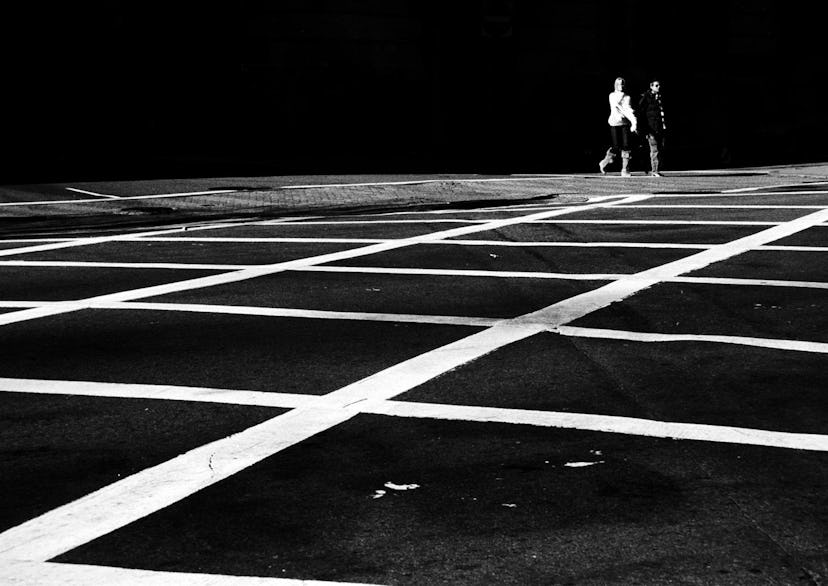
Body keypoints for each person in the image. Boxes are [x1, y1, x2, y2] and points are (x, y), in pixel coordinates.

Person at [599, 77, 637, 177]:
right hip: (614, 122)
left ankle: (625, 169)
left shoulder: (627, 97)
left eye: (623, 84)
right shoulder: (612, 95)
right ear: (616, 85)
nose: (621, 86)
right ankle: (604, 162)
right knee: (616, 147)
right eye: (619, 84)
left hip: (624, 123)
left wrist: (634, 122)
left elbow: (628, 110)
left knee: (626, 146)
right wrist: (622, 96)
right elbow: (615, 105)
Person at [637, 79, 667, 176]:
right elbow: (641, 112)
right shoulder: (646, 97)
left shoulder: (660, 98)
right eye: (656, 85)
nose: (659, 87)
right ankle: (654, 170)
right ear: (651, 86)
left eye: (659, 85)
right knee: (654, 149)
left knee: (660, 149)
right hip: (651, 128)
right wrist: (644, 129)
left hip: (660, 127)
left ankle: (655, 169)